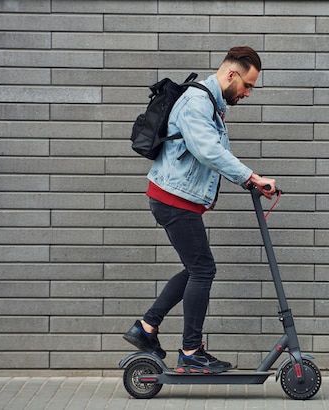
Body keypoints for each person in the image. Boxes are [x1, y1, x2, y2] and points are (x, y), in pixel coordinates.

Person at [123, 46, 276, 374]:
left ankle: (146, 328)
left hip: (177, 198)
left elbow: (212, 153)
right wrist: (250, 176)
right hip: (172, 199)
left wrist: (248, 182)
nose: (248, 93)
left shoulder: (212, 103)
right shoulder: (198, 102)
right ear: (232, 74)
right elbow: (208, 150)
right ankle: (191, 351)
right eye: (248, 85)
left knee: (196, 268)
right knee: (203, 269)